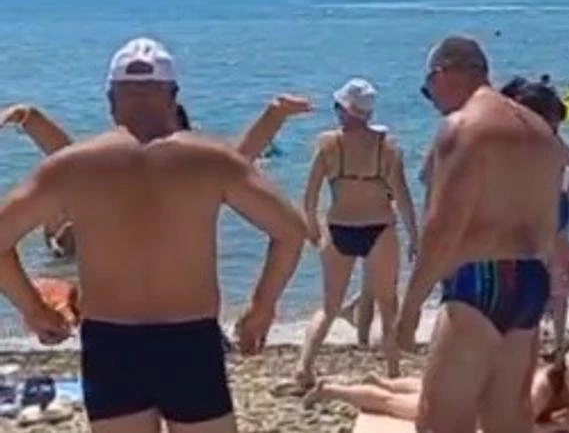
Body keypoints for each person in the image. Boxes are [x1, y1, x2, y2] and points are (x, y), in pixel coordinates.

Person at [0, 37, 308, 433]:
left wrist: (32, 308)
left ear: (111, 100)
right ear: (173, 96)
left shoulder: (70, 167)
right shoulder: (214, 161)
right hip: (190, 340)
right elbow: (290, 231)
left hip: (110, 343)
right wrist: (261, 307)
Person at [395, 36, 562, 433]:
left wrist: (410, 306)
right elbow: (547, 227)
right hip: (529, 282)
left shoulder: (464, 127)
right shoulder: (541, 131)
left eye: (428, 88)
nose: (432, 100)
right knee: (508, 421)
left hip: (478, 281)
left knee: (438, 422)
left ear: (443, 74)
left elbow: (442, 229)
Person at [0, 96, 311, 260]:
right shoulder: (118, 175)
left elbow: (240, 158)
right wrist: (29, 118)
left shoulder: (194, 180)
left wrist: (274, 115)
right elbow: (68, 156)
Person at [297, 77, 419, 386]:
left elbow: (310, 194)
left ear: (344, 110)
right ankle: (392, 372)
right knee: (387, 304)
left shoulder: (328, 145)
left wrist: (311, 225)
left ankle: (304, 366)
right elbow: (402, 195)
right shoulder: (387, 147)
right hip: (379, 227)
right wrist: (414, 235)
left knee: (329, 306)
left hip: (339, 227)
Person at [303, 343, 569, 433]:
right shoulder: (541, 389)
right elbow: (517, 428)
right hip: (470, 407)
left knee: (424, 387)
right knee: (391, 404)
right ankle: (331, 389)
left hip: (479, 389)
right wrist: (556, 427)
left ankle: (384, 381)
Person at [503, 80, 569, 357]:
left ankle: (534, 336)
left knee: (532, 275)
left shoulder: (519, 142)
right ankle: (558, 340)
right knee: (556, 279)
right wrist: (566, 194)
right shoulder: (554, 141)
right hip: (555, 207)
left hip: (534, 211)